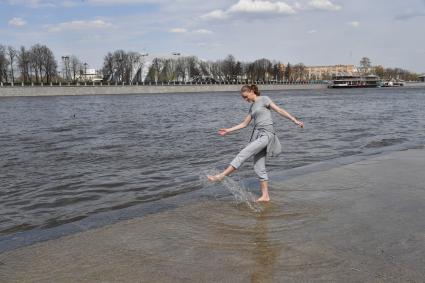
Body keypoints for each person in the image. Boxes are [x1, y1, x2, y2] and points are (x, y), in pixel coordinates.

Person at [207, 84, 304, 202]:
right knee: (259, 167)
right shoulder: (252, 107)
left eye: (246, 96)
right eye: (243, 98)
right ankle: (265, 196)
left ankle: (221, 176)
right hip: (258, 136)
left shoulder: (264, 99)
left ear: (252, 91)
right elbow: (244, 124)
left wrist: (295, 120)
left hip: (266, 135)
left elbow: (279, 110)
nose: (245, 100)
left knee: (243, 153)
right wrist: (228, 130)